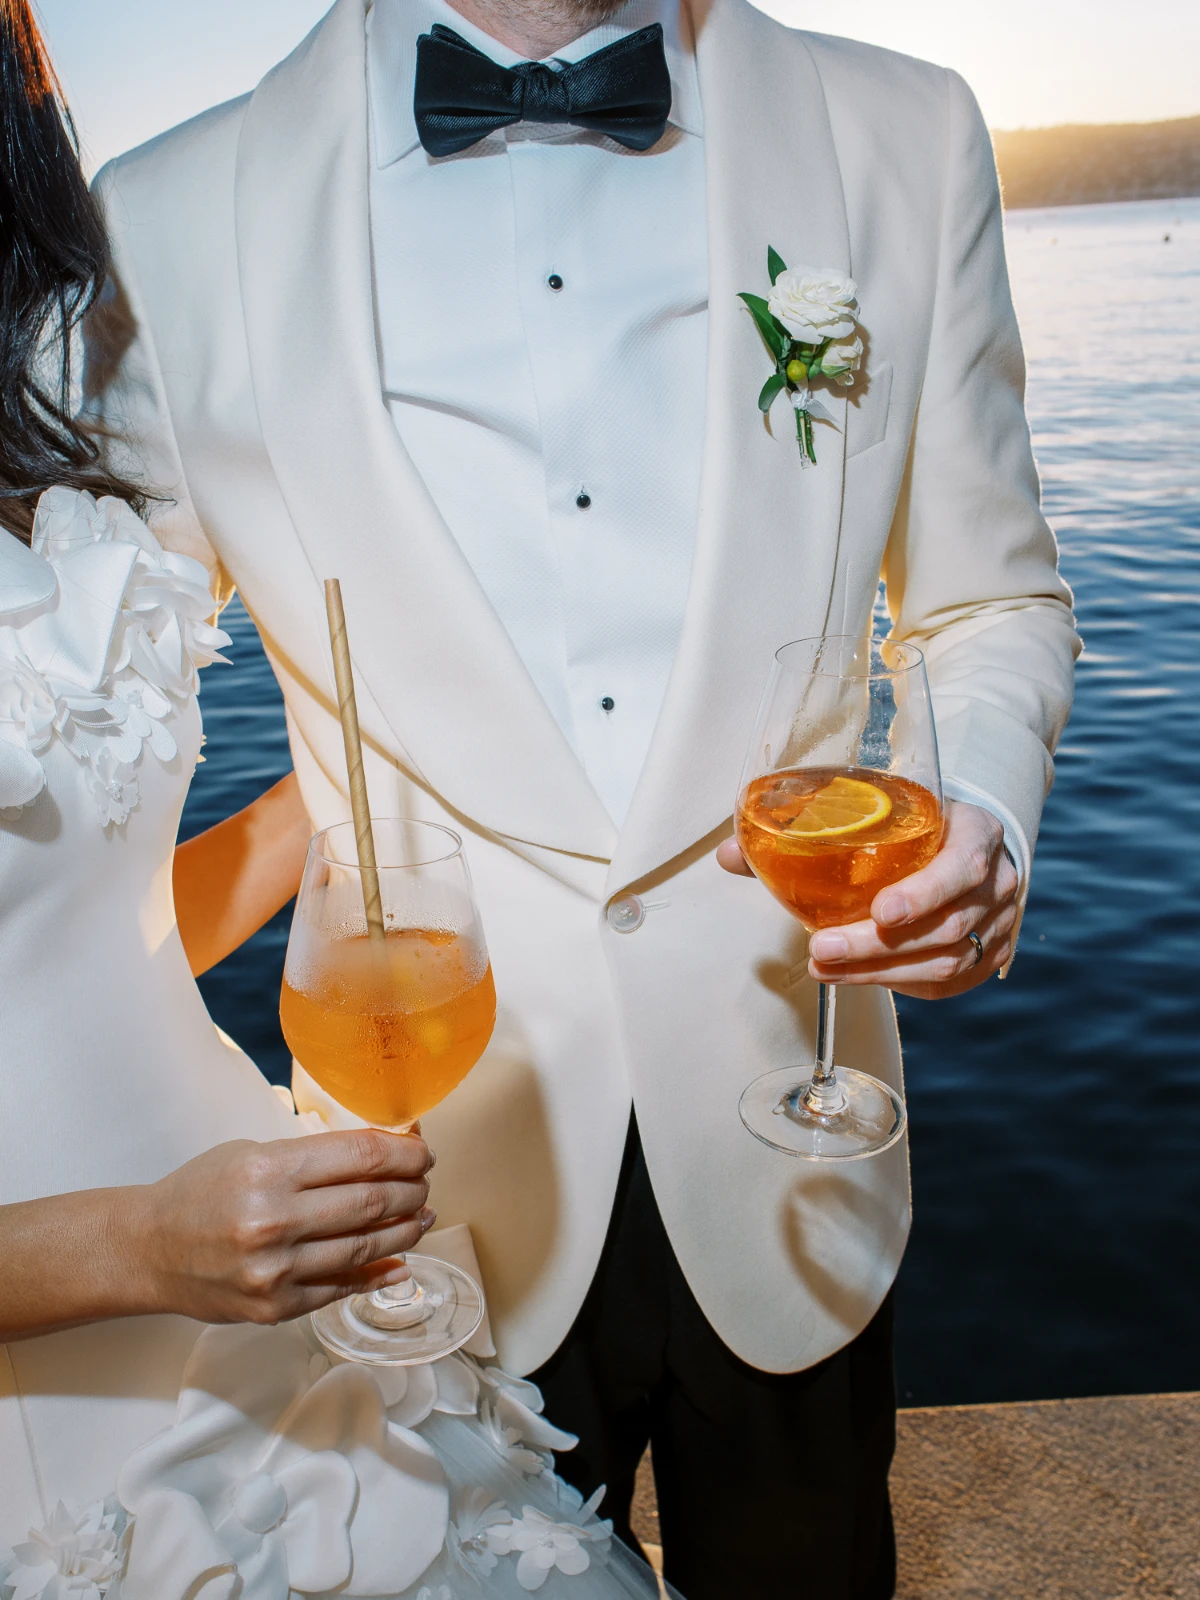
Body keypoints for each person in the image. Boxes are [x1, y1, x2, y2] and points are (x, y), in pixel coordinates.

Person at [85, 0, 1080, 1591]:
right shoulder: (159, 217)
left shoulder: (906, 130)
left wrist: (987, 821)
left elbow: (986, 603)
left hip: (789, 1129)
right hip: (410, 1176)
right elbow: (84, 718)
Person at [0, 12, 675, 1600]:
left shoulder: (73, 379)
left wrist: (336, 801)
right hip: (86, 1343)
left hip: (265, 1263)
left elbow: (77, 915)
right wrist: (131, 1249)